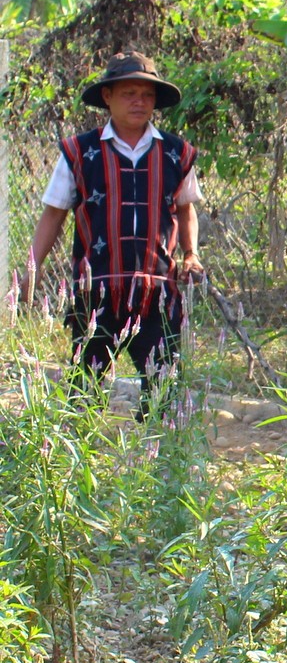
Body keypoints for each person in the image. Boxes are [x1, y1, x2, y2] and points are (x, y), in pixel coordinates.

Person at [22, 51, 204, 415]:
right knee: (85, 386)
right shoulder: (80, 152)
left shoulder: (175, 153)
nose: (139, 101)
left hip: (157, 291)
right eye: (129, 93)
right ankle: (77, 464)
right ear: (107, 97)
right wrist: (31, 267)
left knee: (165, 387)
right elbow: (54, 212)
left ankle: (162, 462)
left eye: (147, 95)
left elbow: (186, 208)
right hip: (97, 292)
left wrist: (191, 253)